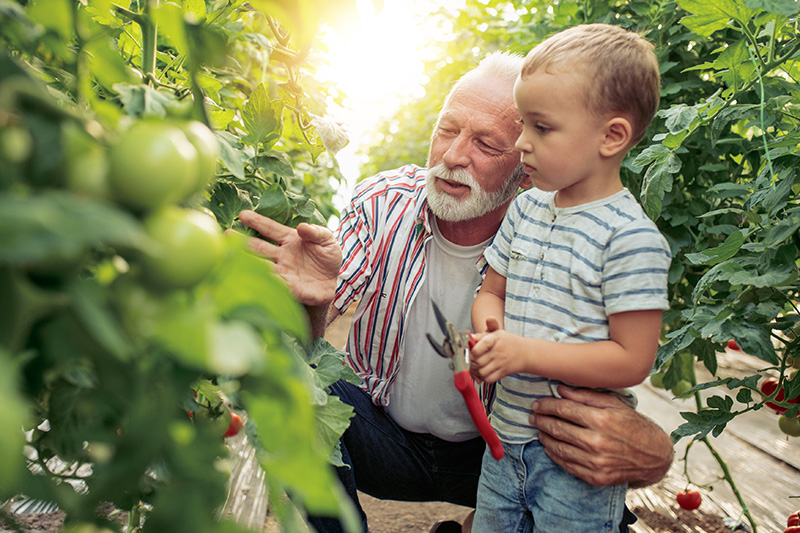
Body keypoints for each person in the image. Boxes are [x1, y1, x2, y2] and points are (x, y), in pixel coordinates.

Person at [237, 49, 674, 533]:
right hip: (387, 440)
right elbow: (312, 346)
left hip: (501, 452)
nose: (451, 155)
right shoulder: (382, 202)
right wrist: (314, 303)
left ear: (524, 162)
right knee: (284, 383)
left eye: (486, 143)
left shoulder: (561, 235)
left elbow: (610, 363)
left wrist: (653, 449)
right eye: (447, 129)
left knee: (589, 497)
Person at [467, 24, 671, 532]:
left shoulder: (630, 239)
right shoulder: (527, 209)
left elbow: (632, 359)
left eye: (542, 128)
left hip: (575, 458)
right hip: (504, 441)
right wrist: (492, 333)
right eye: (521, 125)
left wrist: (525, 353)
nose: (521, 144)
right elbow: (492, 291)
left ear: (612, 136)